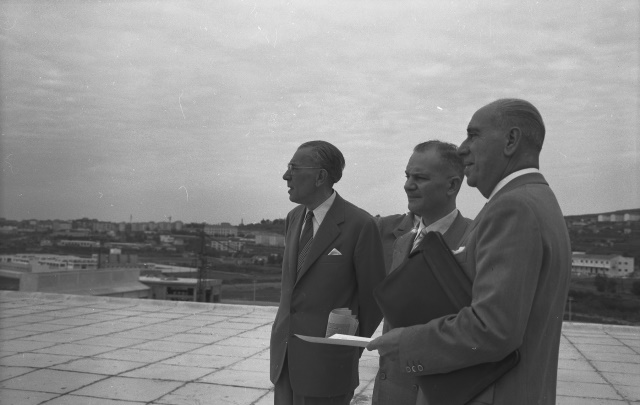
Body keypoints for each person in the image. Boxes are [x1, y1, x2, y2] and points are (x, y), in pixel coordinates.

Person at [367, 99, 571, 405]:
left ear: (511, 140)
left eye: (473, 136)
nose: (463, 149)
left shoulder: (512, 207)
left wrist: (407, 343)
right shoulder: (537, 199)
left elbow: (492, 328)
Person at [270, 140, 386, 405]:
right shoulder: (294, 218)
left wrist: (345, 349)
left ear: (320, 176)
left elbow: (374, 299)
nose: (286, 175)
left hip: (328, 367)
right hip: (284, 361)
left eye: (294, 168)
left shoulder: (360, 224)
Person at [372, 141, 471, 405]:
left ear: (452, 186)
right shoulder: (403, 243)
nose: (408, 185)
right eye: (407, 176)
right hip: (392, 391)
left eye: (420, 178)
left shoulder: (476, 240)